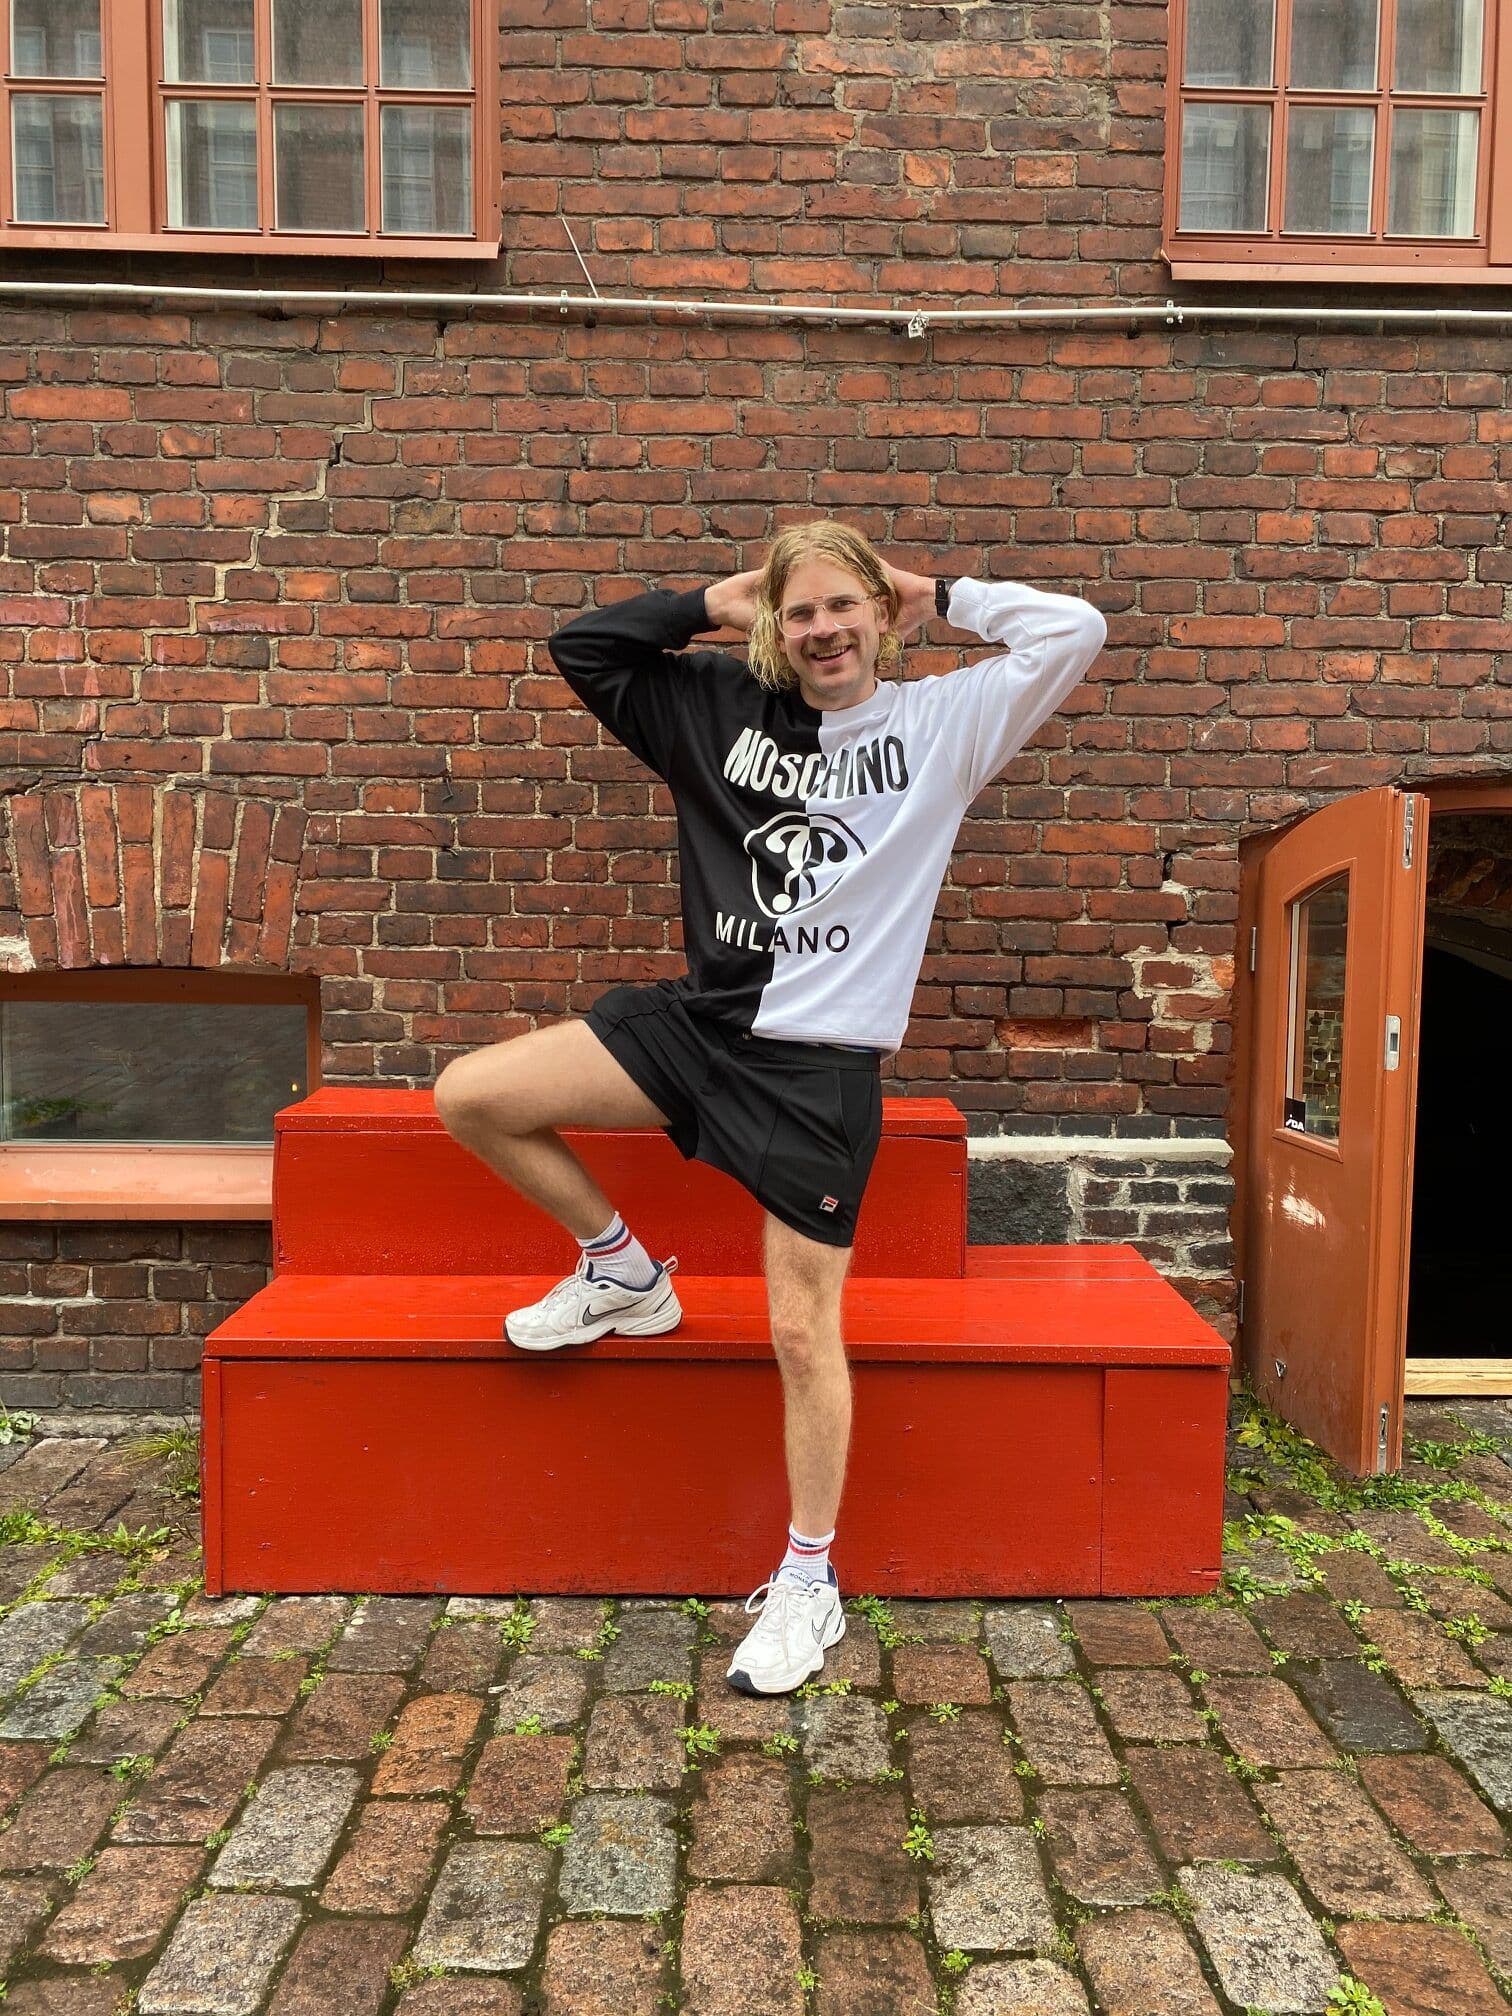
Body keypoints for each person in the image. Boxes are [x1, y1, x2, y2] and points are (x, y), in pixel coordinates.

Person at [434, 523, 1105, 1694]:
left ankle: (807, 1580)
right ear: (772, 626)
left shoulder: (945, 724)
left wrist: (939, 590)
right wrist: (711, 600)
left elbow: (1075, 631)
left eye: (845, 607)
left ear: (882, 616)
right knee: (474, 1096)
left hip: (816, 1072)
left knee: (801, 1331)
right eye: (799, 613)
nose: (823, 630)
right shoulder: (712, 708)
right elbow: (584, 649)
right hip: (702, 1030)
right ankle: (624, 1275)